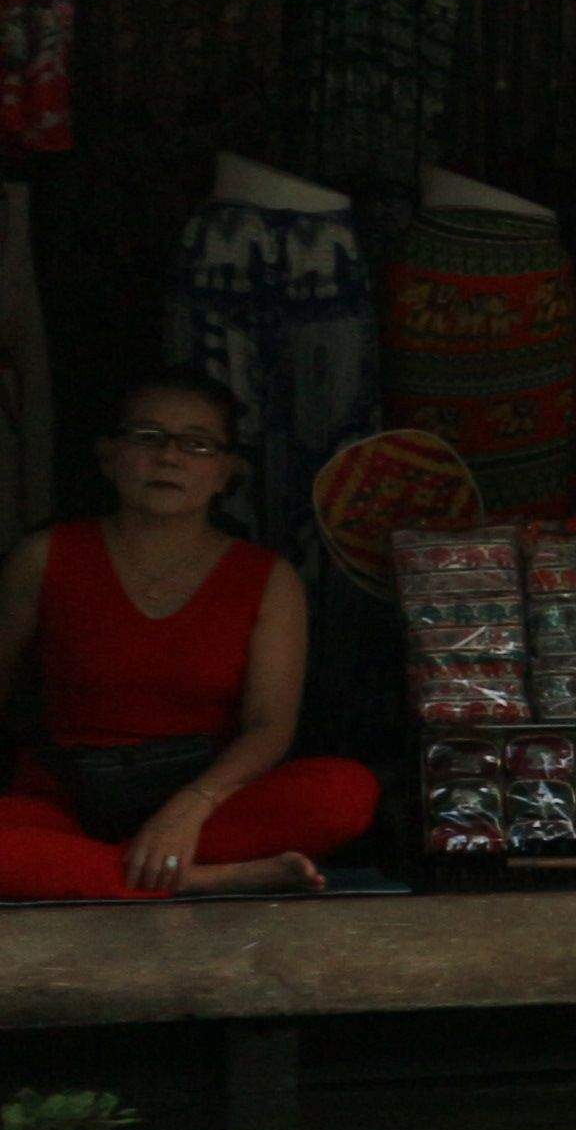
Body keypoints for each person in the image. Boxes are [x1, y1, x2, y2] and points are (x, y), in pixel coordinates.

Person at [0, 374, 380, 901]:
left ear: (225, 471)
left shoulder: (267, 578)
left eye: (196, 444)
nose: (169, 458)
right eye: (147, 437)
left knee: (345, 794)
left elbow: (269, 726)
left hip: (207, 802)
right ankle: (204, 880)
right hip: (64, 799)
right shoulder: (43, 557)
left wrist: (187, 810)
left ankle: (107, 874)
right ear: (109, 456)